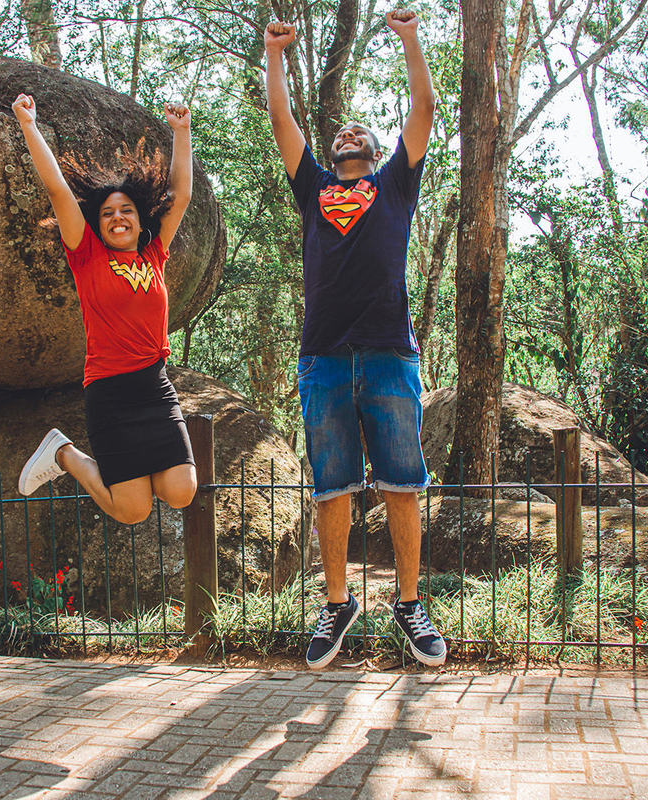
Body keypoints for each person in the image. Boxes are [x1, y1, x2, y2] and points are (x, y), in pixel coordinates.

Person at [263, 9, 446, 669]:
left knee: (402, 484)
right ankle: (338, 601)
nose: (347, 134)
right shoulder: (313, 188)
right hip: (325, 360)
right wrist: (276, 54)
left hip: (391, 355)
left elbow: (423, 107)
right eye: (339, 131)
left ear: (369, 153)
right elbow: (283, 120)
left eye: (358, 132)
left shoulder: (394, 184)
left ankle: (408, 603)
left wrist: (410, 38)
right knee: (331, 487)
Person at [11, 93, 197, 525]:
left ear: (139, 218)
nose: (118, 218)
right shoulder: (87, 255)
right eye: (109, 213)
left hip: (154, 389)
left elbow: (181, 195)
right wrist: (28, 126)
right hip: (110, 393)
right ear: (97, 222)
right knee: (132, 511)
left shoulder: (153, 255)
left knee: (181, 491)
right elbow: (58, 188)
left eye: (126, 211)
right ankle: (64, 453)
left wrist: (181, 132)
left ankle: (135, 469)